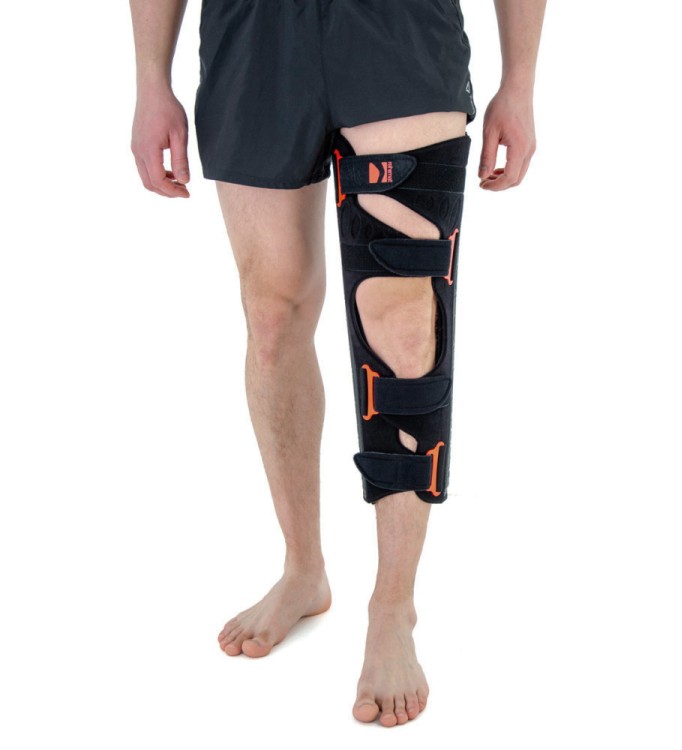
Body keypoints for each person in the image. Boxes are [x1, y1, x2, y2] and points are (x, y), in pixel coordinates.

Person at [129, 0, 546, 728]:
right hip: (253, 35)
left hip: (401, 30)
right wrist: (149, 81)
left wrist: (520, 81)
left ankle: (393, 605)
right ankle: (303, 570)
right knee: (273, 317)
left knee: (405, 325)